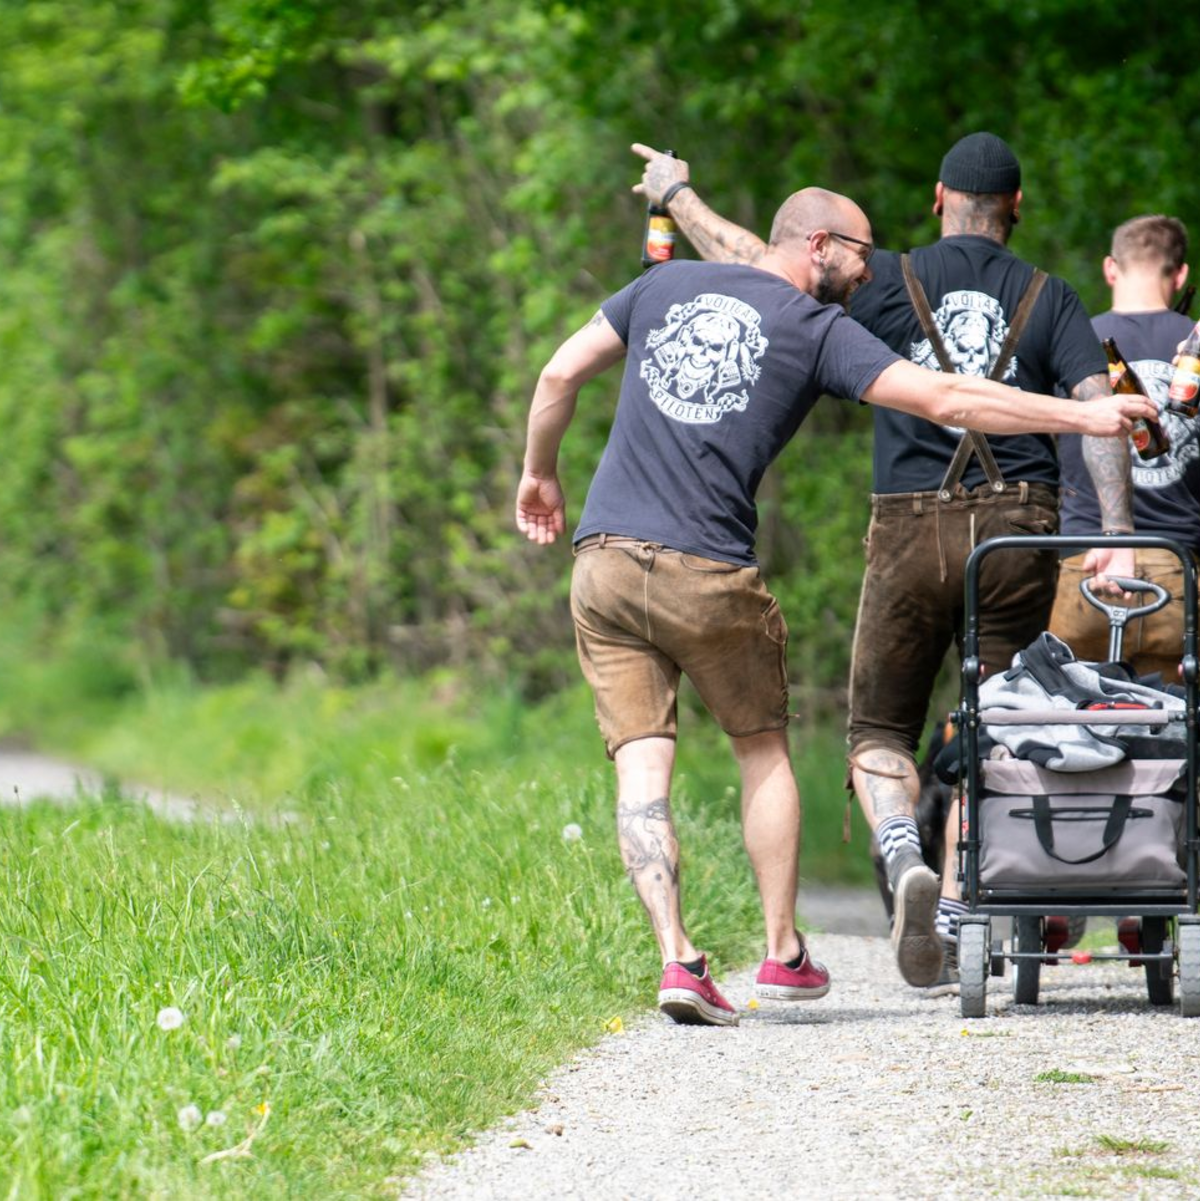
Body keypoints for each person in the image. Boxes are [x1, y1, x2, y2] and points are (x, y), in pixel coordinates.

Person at [516, 184, 1152, 1026]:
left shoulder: (660, 284)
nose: (868, 269)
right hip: (705, 571)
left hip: (601, 560)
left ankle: (677, 956)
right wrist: (1084, 415)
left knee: (641, 767)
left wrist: (539, 473)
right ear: (818, 244)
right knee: (762, 751)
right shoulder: (816, 329)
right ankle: (783, 952)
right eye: (859, 251)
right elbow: (949, 400)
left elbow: (559, 371)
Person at [1049, 215, 1198, 677]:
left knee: (1072, 717)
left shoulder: (1073, 343)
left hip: (1088, 568)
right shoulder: (1193, 344)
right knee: (1179, 720)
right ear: (1181, 275)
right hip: (1180, 573)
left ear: (1110, 268)